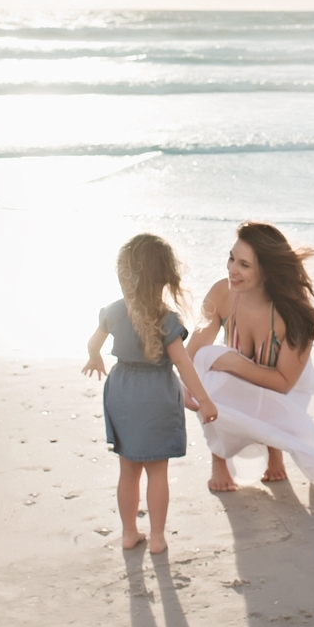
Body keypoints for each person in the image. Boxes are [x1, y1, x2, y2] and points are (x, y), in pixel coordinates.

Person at [82, 233, 219, 555]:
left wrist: (95, 358)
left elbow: (92, 343)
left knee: (128, 469)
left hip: (122, 389)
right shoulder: (167, 319)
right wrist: (204, 400)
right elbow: (182, 364)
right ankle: (157, 537)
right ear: (166, 277)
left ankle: (129, 533)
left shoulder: (114, 311)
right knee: (158, 471)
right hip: (157, 392)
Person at [186, 222, 314, 493]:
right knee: (207, 365)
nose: (232, 270)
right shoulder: (221, 293)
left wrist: (235, 362)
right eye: (231, 258)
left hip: (288, 386)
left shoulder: (296, 315)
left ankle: (275, 451)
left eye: (244, 265)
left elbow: (284, 382)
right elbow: (193, 353)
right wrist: (187, 386)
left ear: (266, 272)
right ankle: (219, 460)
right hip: (242, 380)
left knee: (221, 361)